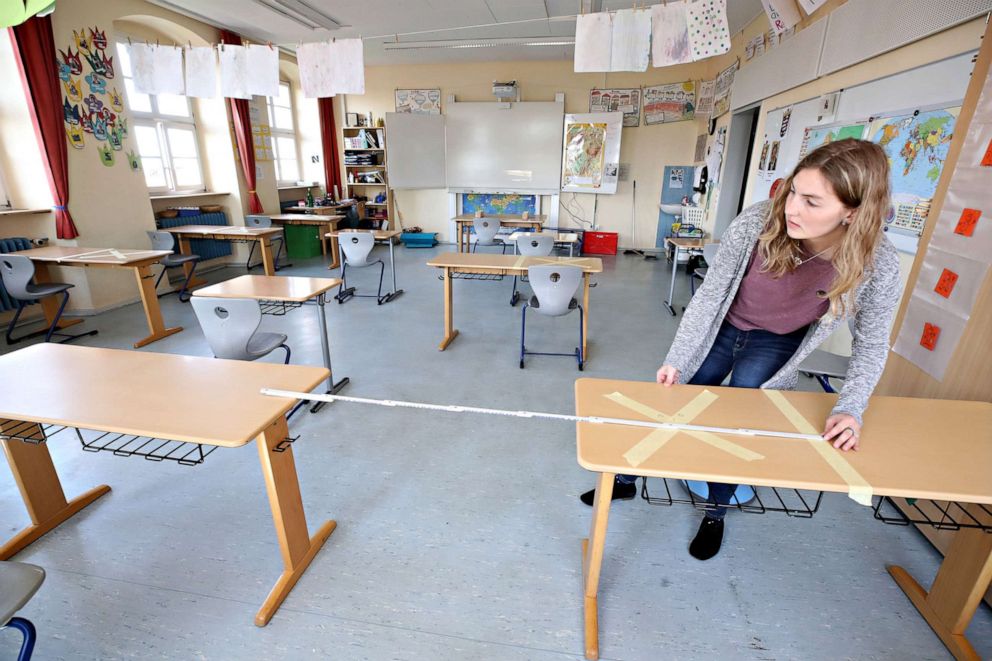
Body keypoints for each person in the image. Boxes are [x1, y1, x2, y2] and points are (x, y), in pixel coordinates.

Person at [579, 139, 902, 561]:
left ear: (853, 211)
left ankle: (716, 511)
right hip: (723, 328)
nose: (792, 209)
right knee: (673, 402)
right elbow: (709, 296)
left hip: (777, 342)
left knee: (739, 422)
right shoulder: (757, 224)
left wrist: (850, 407)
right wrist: (677, 357)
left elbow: (872, 343)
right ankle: (625, 478)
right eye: (792, 193)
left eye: (812, 202)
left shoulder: (878, 263)